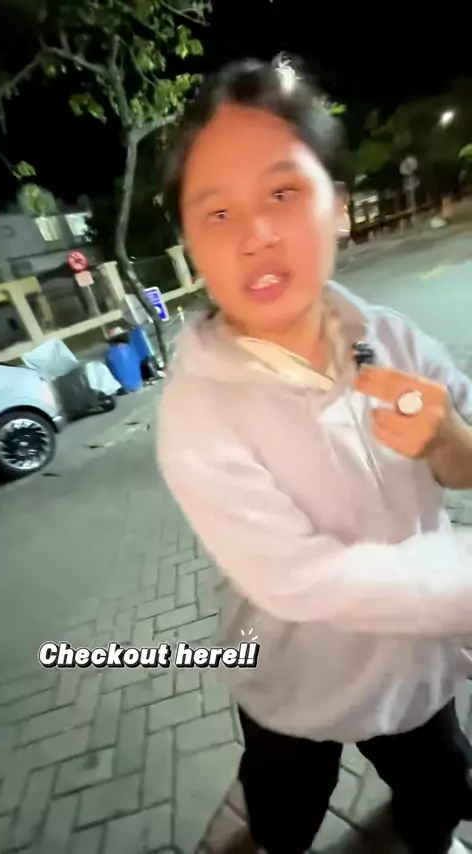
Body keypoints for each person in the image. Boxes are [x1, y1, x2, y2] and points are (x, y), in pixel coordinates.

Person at [157, 55, 472, 854]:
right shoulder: (197, 413)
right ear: (192, 244)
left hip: (415, 674)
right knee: (284, 816)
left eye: (283, 193)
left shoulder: (393, 337)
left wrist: (449, 438)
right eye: (217, 212)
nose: (256, 234)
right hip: (292, 685)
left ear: (338, 206)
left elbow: (465, 460)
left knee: (441, 789)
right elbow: (303, 579)